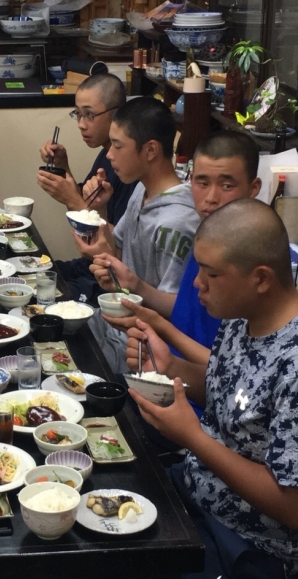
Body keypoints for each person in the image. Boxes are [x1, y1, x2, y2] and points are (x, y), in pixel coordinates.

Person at [60, 199, 298, 579]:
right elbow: (229, 386)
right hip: (195, 496)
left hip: (257, 551)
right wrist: (169, 369)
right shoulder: (244, 317)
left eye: (210, 274)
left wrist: (192, 436)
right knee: (78, 542)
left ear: (260, 277)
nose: (197, 286)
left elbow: (292, 506)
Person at [106, 132, 261, 395]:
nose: (211, 197)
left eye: (227, 185)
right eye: (202, 183)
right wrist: (136, 290)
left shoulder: (254, 266)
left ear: (253, 188)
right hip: (164, 376)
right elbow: (186, 312)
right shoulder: (205, 235)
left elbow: (236, 375)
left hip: (194, 397)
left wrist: (162, 334)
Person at [74, 97, 199, 373]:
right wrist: (100, 212)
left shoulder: (178, 221)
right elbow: (118, 252)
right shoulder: (142, 189)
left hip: (142, 348)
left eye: (117, 146)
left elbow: (181, 309)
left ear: (151, 150)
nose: (109, 154)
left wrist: (133, 284)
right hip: (114, 324)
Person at [37, 73, 137, 304]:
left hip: (109, 277)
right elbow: (88, 205)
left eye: (89, 115)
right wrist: (63, 167)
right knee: (34, 274)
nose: (81, 124)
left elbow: (119, 244)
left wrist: (72, 200)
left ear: (116, 113)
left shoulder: (128, 168)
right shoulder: (106, 153)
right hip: (90, 266)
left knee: (43, 297)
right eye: (78, 114)